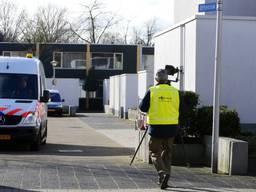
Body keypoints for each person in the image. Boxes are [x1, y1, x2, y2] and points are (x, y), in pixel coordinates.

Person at [139, 69, 180, 189]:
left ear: (156, 79)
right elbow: (181, 108)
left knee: (154, 152)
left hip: (156, 128)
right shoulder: (175, 92)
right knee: (167, 152)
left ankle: (162, 172)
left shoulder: (152, 91)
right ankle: (165, 175)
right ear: (167, 79)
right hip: (171, 127)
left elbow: (143, 107)